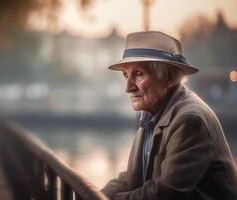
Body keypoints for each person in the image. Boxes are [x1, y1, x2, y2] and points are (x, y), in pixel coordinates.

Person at [101, 31, 237, 200]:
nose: (128, 87)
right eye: (126, 75)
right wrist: (95, 195)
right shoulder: (152, 115)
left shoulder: (189, 120)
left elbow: (164, 194)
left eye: (138, 74)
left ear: (169, 77)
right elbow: (132, 176)